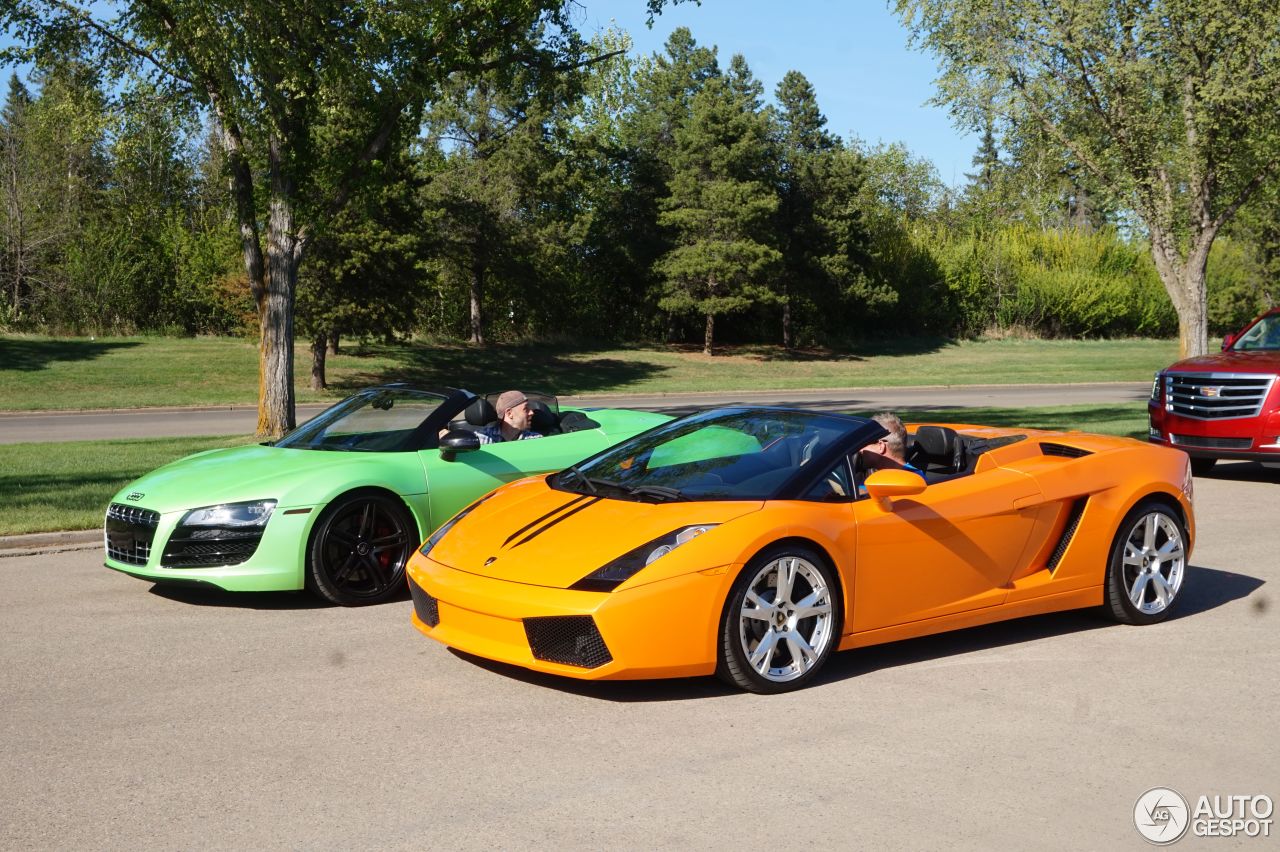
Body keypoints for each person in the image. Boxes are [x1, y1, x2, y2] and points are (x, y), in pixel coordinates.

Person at [859, 412, 925, 481]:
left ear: (881, 446)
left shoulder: (913, 480)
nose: (859, 449)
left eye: (863, 444)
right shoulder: (873, 474)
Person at [476, 390, 543, 445]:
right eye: (526, 408)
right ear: (509, 413)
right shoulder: (482, 439)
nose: (531, 412)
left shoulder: (535, 439)